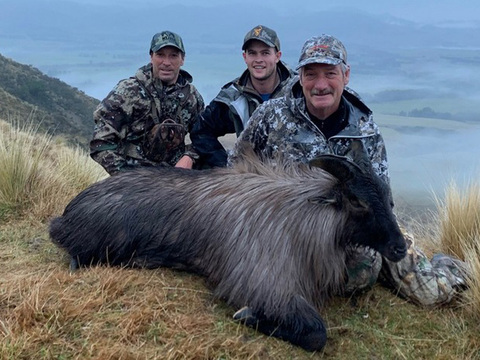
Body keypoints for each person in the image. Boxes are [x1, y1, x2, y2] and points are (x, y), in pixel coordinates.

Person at [232, 34, 469, 307]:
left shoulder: (365, 130)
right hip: (282, 230)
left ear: (346, 75)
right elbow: (237, 166)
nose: (320, 85)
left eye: (330, 73)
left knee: (422, 290)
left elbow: (382, 201)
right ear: (300, 77)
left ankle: (450, 265)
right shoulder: (270, 115)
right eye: (310, 74)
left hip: (347, 232)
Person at [176, 25, 296, 169]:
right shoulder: (233, 96)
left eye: (265, 53)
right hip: (254, 177)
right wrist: (226, 166)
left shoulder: (299, 90)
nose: (258, 59)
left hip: (295, 174)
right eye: (252, 53)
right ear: (245, 57)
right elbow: (201, 130)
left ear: (277, 56)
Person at [90, 30, 204, 175]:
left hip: (175, 182)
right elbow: (100, 142)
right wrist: (124, 176)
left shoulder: (192, 97)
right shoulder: (128, 92)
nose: (166, 62)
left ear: (182, 59)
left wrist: (189, 157)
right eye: (160, 55)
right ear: (151, 57)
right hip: (133, 181)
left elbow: (204, 136)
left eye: (173, 56)